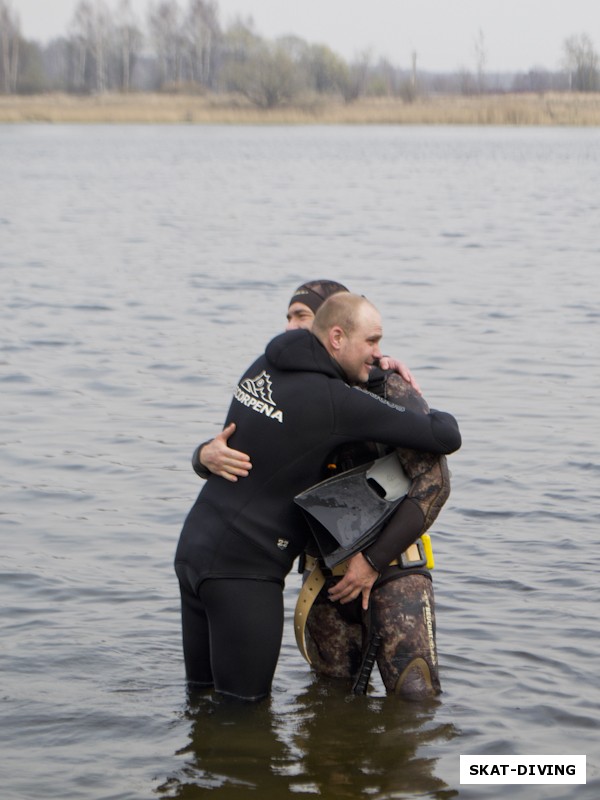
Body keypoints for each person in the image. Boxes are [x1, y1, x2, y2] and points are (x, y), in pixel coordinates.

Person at [176, 293, 461, 701]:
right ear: (337, 337)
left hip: (195, 548)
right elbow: (445, 435)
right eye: (372, 342)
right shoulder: (333, 400)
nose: (378, 353)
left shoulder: (264, 366)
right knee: (245, 717)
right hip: (244, 571)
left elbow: (255, 444)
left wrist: (202, 454)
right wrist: (383, 376)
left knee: (201, 703)